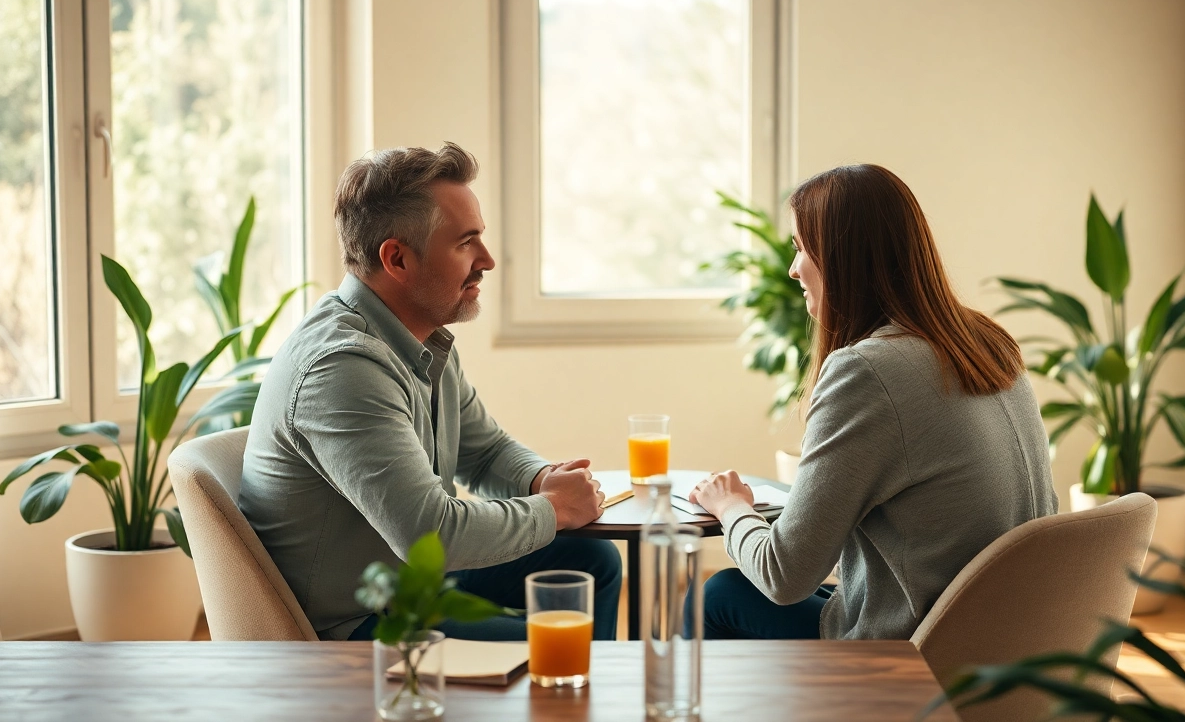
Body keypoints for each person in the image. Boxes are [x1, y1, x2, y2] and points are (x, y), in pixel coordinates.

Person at [241, 143, 621, 641]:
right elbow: (431, 534)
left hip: (416, 582)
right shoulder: (342, 368)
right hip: (361, 624)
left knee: (592, 560)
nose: (486, 260)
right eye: (466, 243)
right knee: (561, 641)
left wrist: (543, 477)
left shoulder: (420, 337)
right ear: (397, 259)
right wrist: (554, 508)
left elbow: (483, 454)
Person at [689, 163, 1057, 640]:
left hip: (922, 654)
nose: (793, 268)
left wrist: (731, 508)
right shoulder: (985, 341)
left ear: (843, 258)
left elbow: (784, 576)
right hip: (1007, 639)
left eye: (802, 249)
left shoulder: (869, 370)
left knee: (720, 595)